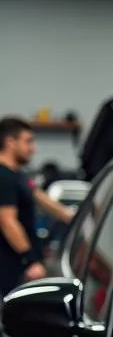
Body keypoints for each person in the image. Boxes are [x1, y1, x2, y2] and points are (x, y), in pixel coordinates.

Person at [0, 116, 74, 298]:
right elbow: (7, 221)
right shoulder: (4, 177)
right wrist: (30, 261)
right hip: (11, 266)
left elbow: (38, 196)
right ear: (10, 141)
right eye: (28, 141)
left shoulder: (18, 175)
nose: (33, 148)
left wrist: (71, 215)